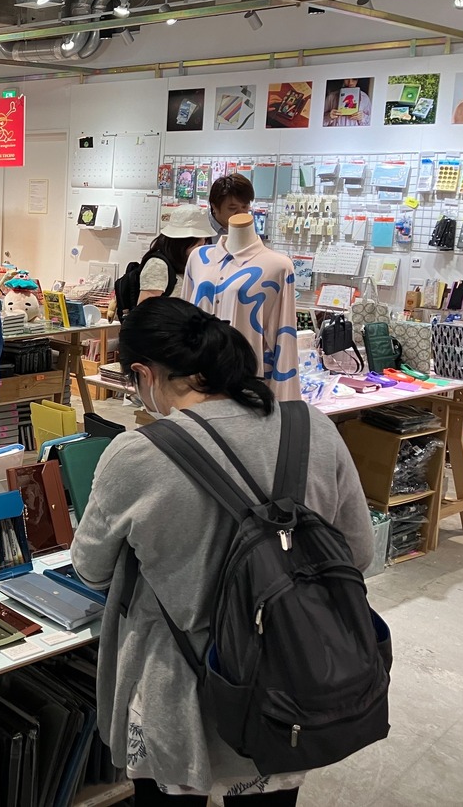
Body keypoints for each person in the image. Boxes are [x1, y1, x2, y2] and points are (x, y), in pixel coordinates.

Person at [69, 296, 374, 806]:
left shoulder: (136, 455)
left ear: (143, 374)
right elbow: (358, 554)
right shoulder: (312, 427)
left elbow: (90, 570)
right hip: (291, 682)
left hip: (180, 693)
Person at [135, 205, 214, 304]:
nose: (203, 245)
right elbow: (146, 309)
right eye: (198, 242)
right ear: (182, 241)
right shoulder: (158, 265)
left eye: (205, 239)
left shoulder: (188, 263)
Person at [206, 173, 254, 240]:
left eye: (244, 207)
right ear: (215, 207)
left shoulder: (248, 228)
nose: (240, 213)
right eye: (233, 208)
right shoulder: (200, 229)